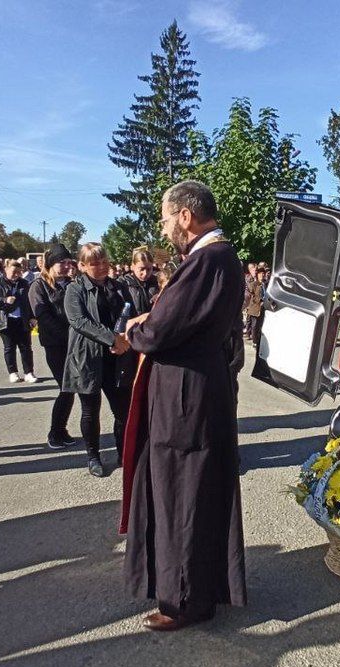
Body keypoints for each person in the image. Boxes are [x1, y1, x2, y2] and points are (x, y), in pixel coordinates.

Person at [121, 180, 246, 631]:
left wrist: (136, 330)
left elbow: (159, 331)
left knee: (182, 494)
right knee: (195, 491)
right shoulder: (218, 257)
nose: (163, 225)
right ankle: (199, 591)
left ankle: (186, 600)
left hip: (186, 399)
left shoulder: (207, 259)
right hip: (197, 388)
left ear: (186, 217)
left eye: (165, 217)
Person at [63, 243, 135, 478]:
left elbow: (130, 315)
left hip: (117, 358)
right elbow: (79, 321)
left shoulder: (119, 286)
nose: (102, 266)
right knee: (90, 411)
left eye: (104, 261)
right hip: (87, 358)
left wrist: (126, 338)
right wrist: (112, 339)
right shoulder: (75, 290)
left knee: (123, 410)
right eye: (95, 263)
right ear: (82, 266)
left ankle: (124, 453)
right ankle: (93, 456)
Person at [29, 244, 77, 449]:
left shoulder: (69, 283)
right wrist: (67, 334)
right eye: (61, 262)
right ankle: (54, 432)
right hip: (55, 344)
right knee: (66, 387)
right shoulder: (38, 286)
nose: (66, 266)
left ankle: (61, 429)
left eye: (68, 262)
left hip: (72, 344)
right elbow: (43, 316)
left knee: (70, 388)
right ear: (50, 264)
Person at [0, 259, 36, 383]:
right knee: (9, 348)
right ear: (6, 269)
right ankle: (13, 372)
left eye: (19, 272)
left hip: (22, 320)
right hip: (5, 321)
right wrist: (4, 300)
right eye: (14, 271)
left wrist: (33, 317)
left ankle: (28, 372)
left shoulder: (25, 284)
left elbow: (31, 301)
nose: (17, 274)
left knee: (26, 347)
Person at [120, 250, 159, 315]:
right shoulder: (123, 284)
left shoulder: (157, 281)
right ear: (133, 267)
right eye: (141, 269)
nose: (145, 273)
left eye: (149, 269)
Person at [245, 263, 269, 350]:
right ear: (257, 275)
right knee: (255, 326)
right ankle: (255, 341)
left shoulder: (266, 284)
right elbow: (250, 295)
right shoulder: (254, 284)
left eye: (263, 274)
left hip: (264, 308)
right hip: (255, 308)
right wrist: (260, 301)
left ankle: (259, 340)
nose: (262, 275)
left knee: (261, 325)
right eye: (260, 274)